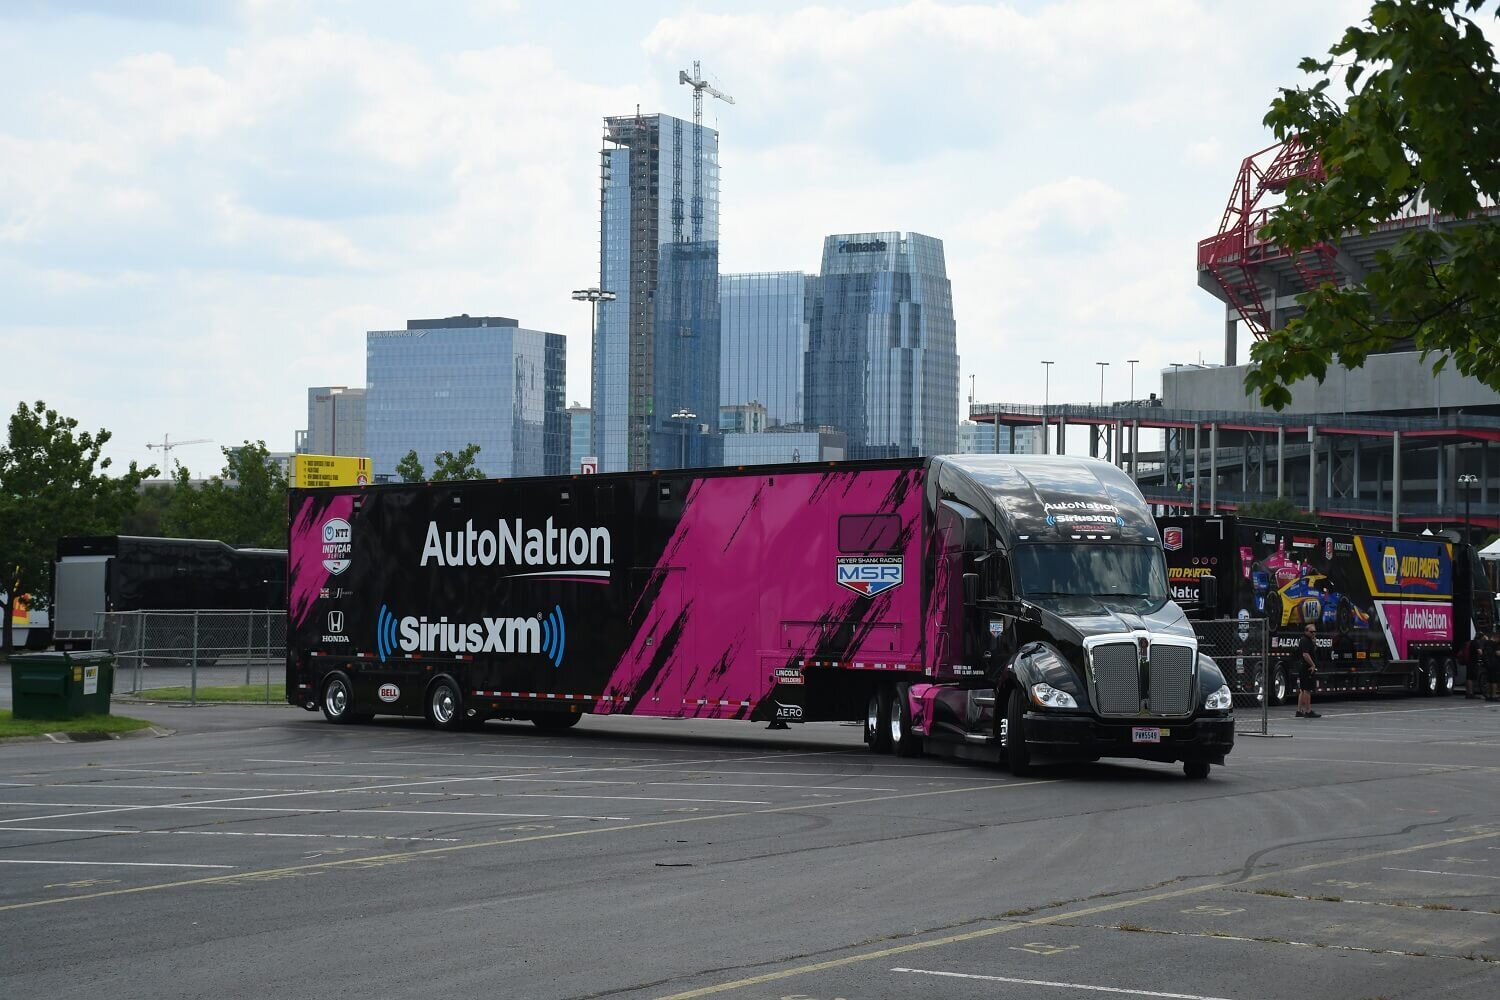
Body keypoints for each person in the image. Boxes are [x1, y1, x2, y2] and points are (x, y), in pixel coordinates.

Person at [1296, 623, 1322, 718]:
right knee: (1307, 690)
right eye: (1311, 632)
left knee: (1303, 690)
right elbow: (1305, 654)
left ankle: (1299, 710)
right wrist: (1313, 664)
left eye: (1315, 631)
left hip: (1303, 666)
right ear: (1306, 631)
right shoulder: (1305, 640)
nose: (1313, 633)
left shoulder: (1308, 640)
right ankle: (1308, 711)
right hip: (1306, 667)